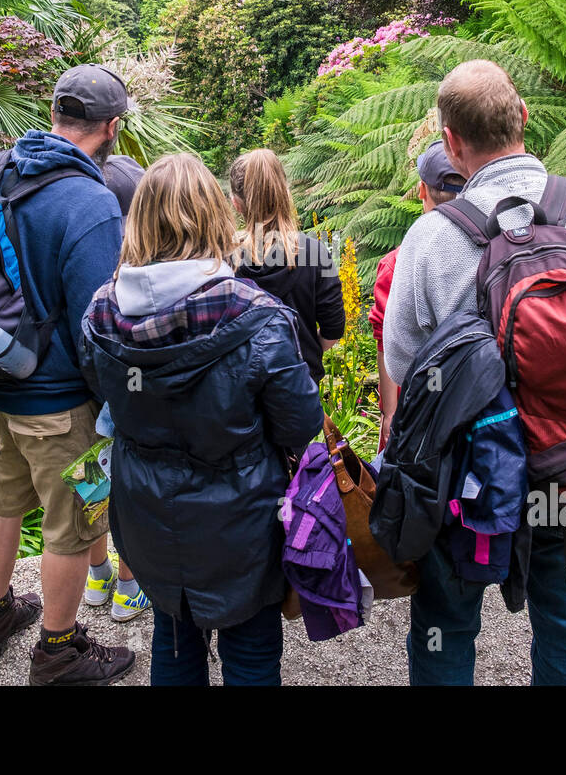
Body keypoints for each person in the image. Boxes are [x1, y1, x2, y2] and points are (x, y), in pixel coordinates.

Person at [383, 59, 566, 686]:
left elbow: (406, 369)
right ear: (524, 116)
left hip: (466, 481)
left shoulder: (430, 239)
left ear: (450, 142)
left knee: (446, 625)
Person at [79, 153, 323, 686]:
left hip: (146, 513)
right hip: (241, 520)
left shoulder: (101, 314)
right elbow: (302, 425)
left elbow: (103, 394)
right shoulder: (255, 315)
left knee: (173, 643)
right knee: (252, 654)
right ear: (216, 215)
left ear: (138, 221)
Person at [0, 63, 136, 686]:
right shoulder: (90, 201)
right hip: (61, 403)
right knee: (75, 521)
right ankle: (59, 649)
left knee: (2, 501)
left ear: (57, 114)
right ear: (111, 128)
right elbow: (98, 320)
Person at [83, 151, 151, 623]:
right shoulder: (136, 258)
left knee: (91, 484)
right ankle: (129, 588)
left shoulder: (85, 237)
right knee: (125, 490)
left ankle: (96, 575)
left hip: (78, 393)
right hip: (123, 405)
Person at [369, 141, 465, 450]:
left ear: (422, 190)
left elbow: (388, 346)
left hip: (422, 407)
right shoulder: (496, 244)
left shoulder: (396, 263)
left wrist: (390, 414)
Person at [229, 148, 345, 386]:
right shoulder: (315, 252)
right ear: (285, 193)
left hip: (242, 391)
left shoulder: (224, 259)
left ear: (236, 204)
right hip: (302, 386)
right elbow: (333, 330)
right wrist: (303, 352)